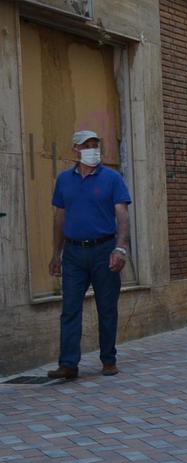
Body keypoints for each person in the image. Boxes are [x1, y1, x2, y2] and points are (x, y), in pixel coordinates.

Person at [47, 130, 132, 380]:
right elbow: (60, 217)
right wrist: (56, 253)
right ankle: (69, 364)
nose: (92, 149)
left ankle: (108, 360)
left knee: (107, 307)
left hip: (104, 250)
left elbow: (122, 215)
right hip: (73, 253)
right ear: (75, 149)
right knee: (70, 308)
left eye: (95, 144)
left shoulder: (111, 178)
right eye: (87, 145)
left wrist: (120, 248)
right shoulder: (64, 180)